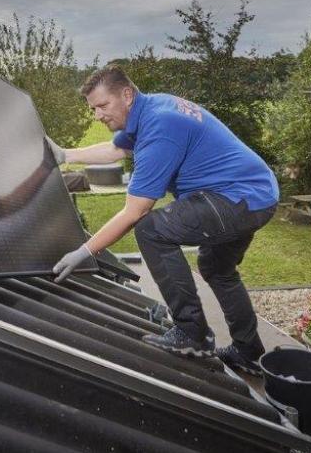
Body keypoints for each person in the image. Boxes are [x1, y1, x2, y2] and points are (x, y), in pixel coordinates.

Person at [49, 65, 279, 376]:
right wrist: (65, 155)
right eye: (93, 108)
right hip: (254, 191)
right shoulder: (148, 108)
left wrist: (84, 251)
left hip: (239, 197)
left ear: (127, 95)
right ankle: (247, 351)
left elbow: (135, 212)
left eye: (103, 106)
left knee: (152, 229)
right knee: (217, 268)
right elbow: (116, 150)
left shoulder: (159, 128)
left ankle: (192, 332)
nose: (98, 115)